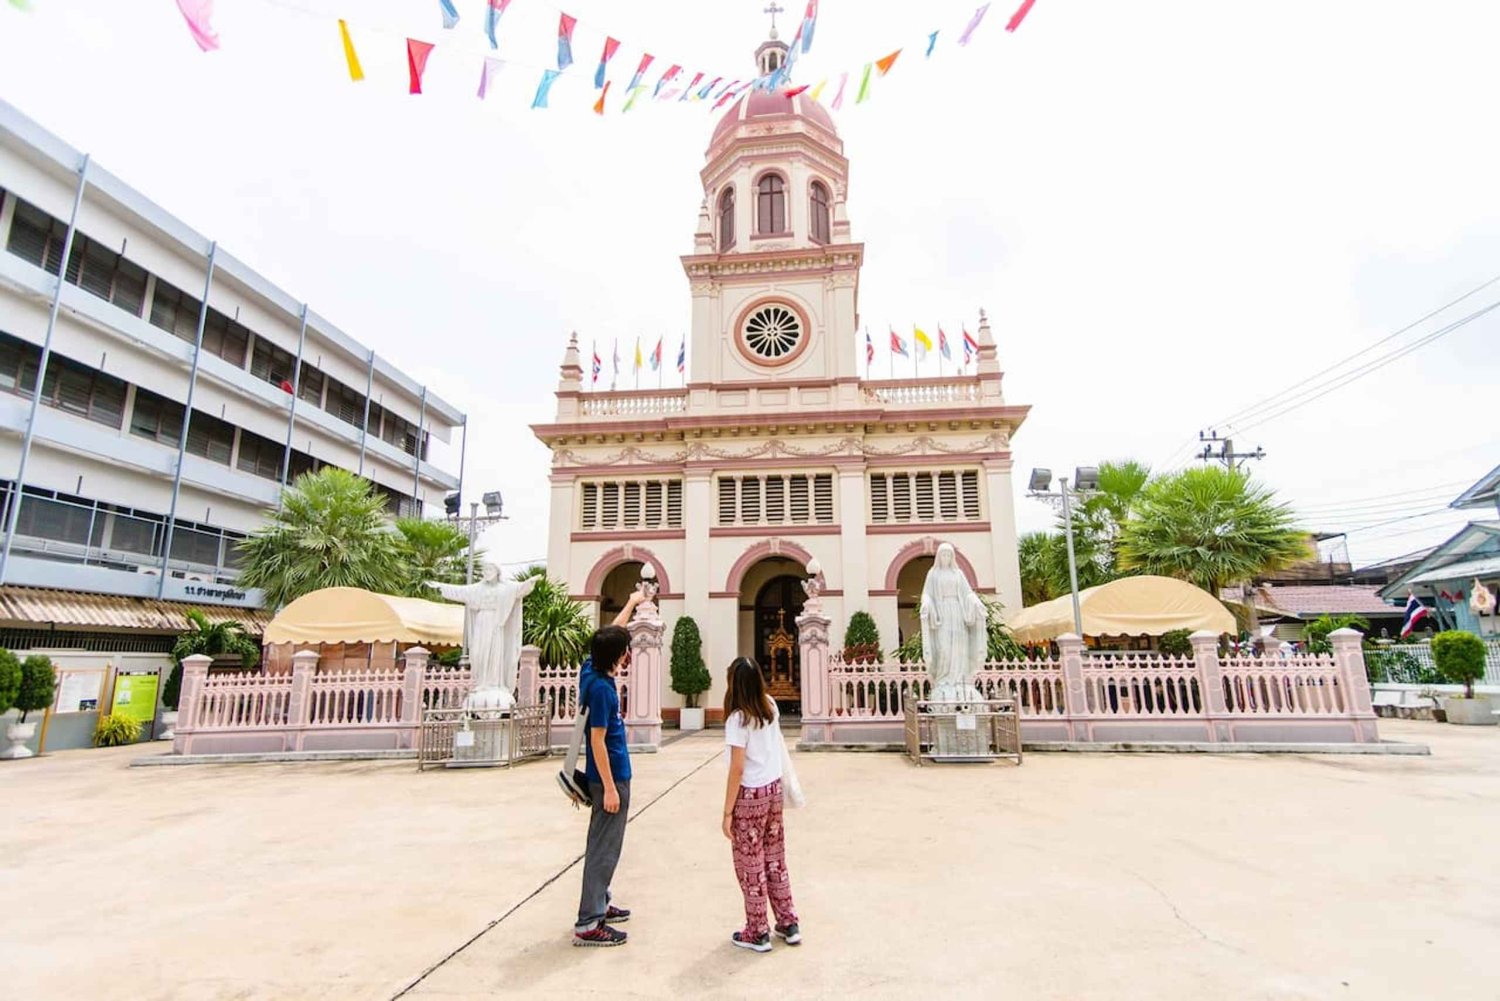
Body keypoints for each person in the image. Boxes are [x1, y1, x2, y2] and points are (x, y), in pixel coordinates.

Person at [573, 588, 645, 947]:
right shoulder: (602, 689)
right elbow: (597, 740)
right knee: (605, 846)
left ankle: (600, 901)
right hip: (611, 775)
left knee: (604, 842)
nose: (628, 653)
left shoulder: (592, 669)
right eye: (625, 650)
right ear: (617, 656)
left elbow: (610, 633)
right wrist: (611, 787)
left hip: (610, 774)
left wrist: (630, 602)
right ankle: (589, 922)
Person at [721, 657, 800, 953]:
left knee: (750, 863)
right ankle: (788, 922)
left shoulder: (737, 719)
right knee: (775, 858)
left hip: (750, 796)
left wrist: (727, 811)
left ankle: (757, 931)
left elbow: (737, 769)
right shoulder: (770, 705)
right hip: (773, 790)